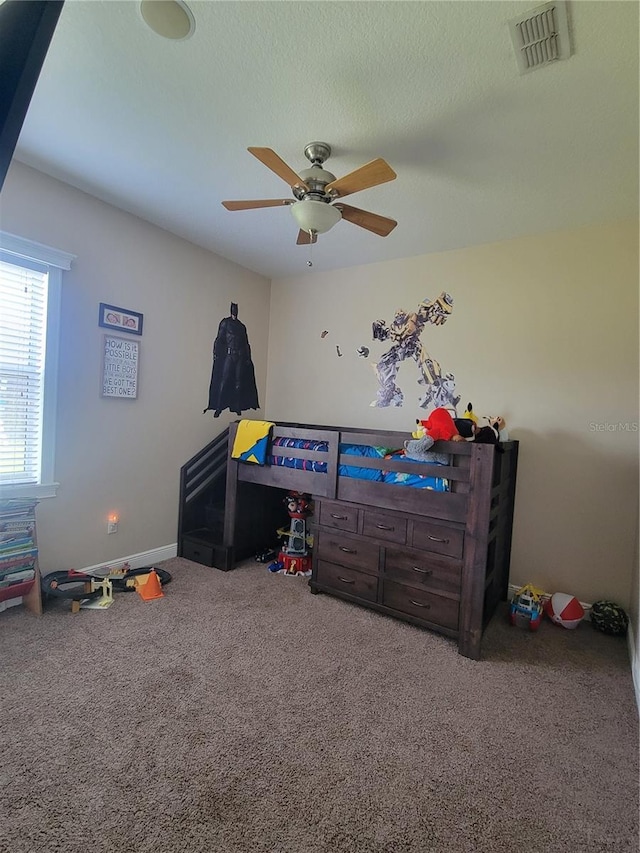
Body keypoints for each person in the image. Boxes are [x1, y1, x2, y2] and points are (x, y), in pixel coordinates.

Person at [370, 291, 459, 410]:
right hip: (401, 348)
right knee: (383, 364)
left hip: (413, 345)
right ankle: (389, 393)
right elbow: (385, 335)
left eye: (401, 315)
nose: (399, 317)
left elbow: (425, 315)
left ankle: (440, 393)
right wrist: (377, 329)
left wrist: (437, 308)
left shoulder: (414, 318)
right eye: (398, 316)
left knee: (427, 364)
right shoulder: (394, 327)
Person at [204, 303, 259, 418]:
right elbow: (219, 339)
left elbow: (245, 343)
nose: (235, 311)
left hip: (239, 356)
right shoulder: (225, 323)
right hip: (229, 355)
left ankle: (237, 406)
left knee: (238, 382)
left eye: (236, 309)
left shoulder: (241, 326)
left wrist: (248, 357)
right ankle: (219, 407)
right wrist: (216, 353)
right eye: (233, 309)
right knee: (224, 381)